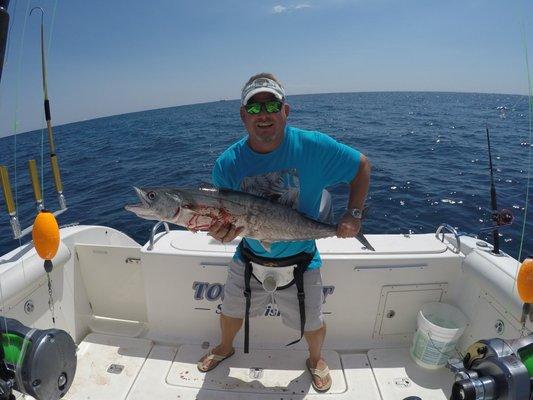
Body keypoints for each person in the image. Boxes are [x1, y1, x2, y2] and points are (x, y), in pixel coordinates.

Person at [197, 73, 371, 392]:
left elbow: (362, 167)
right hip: (249, 255)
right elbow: (230, 216)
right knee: (230, 311)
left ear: (285, 111)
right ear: (242, 115)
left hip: (303, 257)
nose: (263, 115)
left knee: (313, 322)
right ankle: (225, 347)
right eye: (253, 108)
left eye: (271, 105)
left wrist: (353, 214)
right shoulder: (227, 164)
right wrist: (224, 233)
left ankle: (316, 359)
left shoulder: (314, 147)